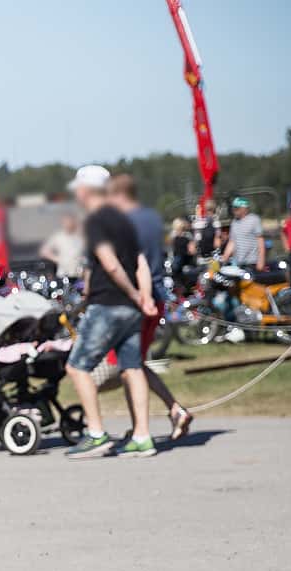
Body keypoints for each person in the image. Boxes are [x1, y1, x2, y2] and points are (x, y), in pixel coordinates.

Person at [62, 165, 158, 460]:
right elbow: (140, 263)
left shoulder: (95, 222)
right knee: (132, 367)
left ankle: (96, 434)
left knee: (77, 367)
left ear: (86, 190)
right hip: (131, 308)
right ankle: (142, 436)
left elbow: (110, 264)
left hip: (108, 303)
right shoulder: (124, 221)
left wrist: (129, 292)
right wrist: (145, 297)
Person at [109, 174, 194, 439]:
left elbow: (131, 264)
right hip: (156, 296)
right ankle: (168, 413)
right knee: (133, 364)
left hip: (139, 298)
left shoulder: (127, 223)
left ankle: (146, 426)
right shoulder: (152, 219)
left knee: (129, 366)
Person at [40, 214, 86, 278]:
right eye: (66, 222)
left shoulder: (79, 236)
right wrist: (59, 260)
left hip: (79, 273)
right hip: (64, 273)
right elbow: (44, 251)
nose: (68, 224)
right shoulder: (58, 236)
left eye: (70, 222)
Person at [226, 197, 266, 271]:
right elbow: (232, 242)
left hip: (252, 262)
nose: (234, 211)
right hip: (239, 264)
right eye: (233, 208)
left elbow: (260, 241)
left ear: (244, 208)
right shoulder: (234, 223)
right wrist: (224, 258)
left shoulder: (254, 220)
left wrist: (261, 261)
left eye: (236, 208)